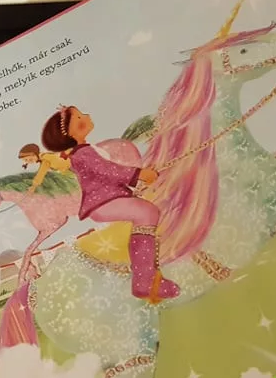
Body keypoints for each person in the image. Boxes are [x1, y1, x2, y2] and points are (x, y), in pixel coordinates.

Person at [41, 105, 180, 302]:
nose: (87, 116)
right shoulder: (83, 154)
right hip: (102, 202)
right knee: (147, 213)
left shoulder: (85, 151)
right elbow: (108, 171)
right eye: (80, 117)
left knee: (148, 212)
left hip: (108, 198)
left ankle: (146, 277)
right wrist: (139, 174)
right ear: (72, 133)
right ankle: (144, 280)